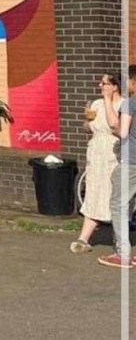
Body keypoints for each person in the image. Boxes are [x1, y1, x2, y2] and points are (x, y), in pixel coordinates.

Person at [70, 74, 123, 254]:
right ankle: (84, 238)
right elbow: (88, 127)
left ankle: (119, 241)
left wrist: (108, 101)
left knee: (115, 195)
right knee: (94, 192)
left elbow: (117, 128)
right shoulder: (96, 104)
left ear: (115, 86)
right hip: (96, 151)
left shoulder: (123, 105)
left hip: (114, 153)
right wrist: (87, 120)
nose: (100, 85)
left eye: (105, 83)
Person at [98, 64, 136, 269]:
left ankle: (123, 254)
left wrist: (106, 100)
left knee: (119, 205)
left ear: (132, 82)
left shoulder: (130, 103)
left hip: (131, 162)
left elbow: (119, 130)